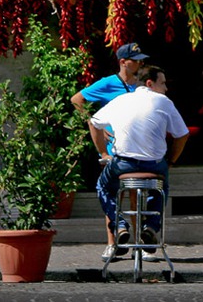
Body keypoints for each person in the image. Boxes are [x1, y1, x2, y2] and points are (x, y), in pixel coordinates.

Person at [89, 64, 190, 260]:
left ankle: (119, 227)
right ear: (150, 83)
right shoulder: (163, 101)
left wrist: (103, 152)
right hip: (153, 164)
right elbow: (182, 135)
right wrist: (172, 160)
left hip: (123, 164)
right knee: (161, 186)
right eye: (163, 83)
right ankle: (150, 227)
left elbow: (93, 122)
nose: (166, 88)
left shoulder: (121, 100)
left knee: (103, 186)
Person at [71, 42, 149, 261]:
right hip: (112, 149)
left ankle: (139, 244)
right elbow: (77, 99)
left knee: (136, 196)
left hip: (135, 148)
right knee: (113, 194)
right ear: (123, 62)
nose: (140, 63)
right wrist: (97, 125)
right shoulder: (108, 83)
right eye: (136, 60)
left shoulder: (142, 86)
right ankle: (112, 243)